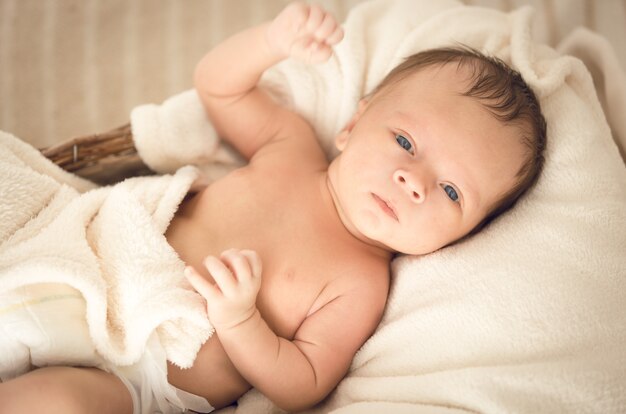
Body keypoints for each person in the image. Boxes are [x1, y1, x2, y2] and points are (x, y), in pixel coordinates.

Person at [0, 2, 546, 413]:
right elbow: (219, 88)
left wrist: (242, 322)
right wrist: (274, 40)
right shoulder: (291, 149)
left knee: (56, 405)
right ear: (353, 126)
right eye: (404, 142)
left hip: (142, 371)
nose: (414, 181)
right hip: (91, 270)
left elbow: (302, 381)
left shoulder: (360, 282)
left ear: (464, 236)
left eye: (452, 192)